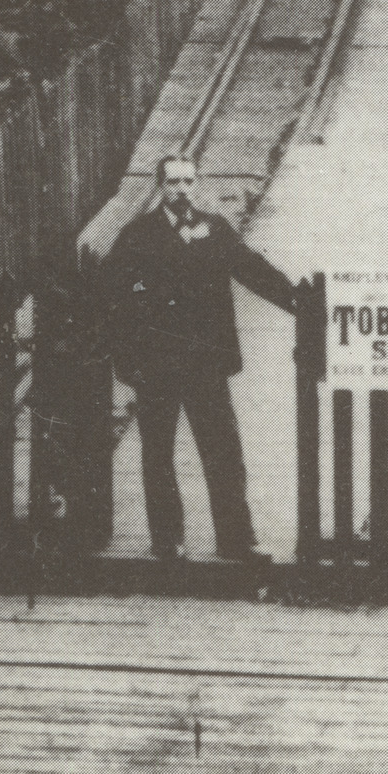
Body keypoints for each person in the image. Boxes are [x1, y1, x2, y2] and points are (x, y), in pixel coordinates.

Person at [101, 155, 298, 564]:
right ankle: (167, 540)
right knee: (158, 453)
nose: (182, 189)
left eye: (189, 181)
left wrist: (298, 301)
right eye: (173, 182)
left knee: (224, 450)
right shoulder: (137, 234)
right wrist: (126, 358)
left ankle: (236, 539)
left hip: (206, 362)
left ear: (197, 183)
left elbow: (251, 269)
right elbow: (113, 298)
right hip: (157, 364)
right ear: (160, 186)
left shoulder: (215, 229)